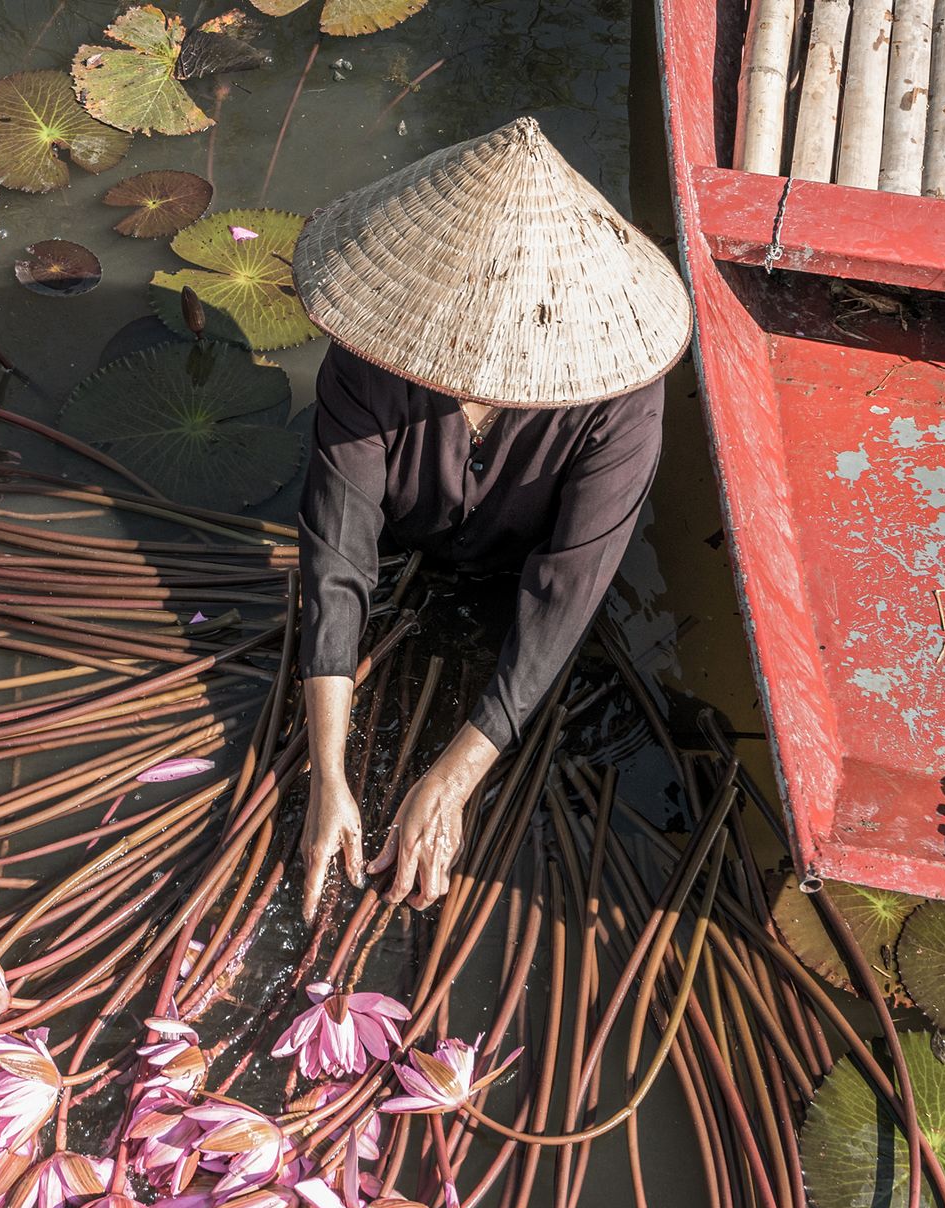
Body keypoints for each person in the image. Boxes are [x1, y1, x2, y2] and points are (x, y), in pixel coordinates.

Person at [287, 117, 694, 918]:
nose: (486, 375)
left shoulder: (618, 394)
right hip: (406, 542)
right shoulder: (373, 357)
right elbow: (338, 557)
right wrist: (327, 773)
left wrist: (454, 777)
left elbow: (565, 591)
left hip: (523, 567)